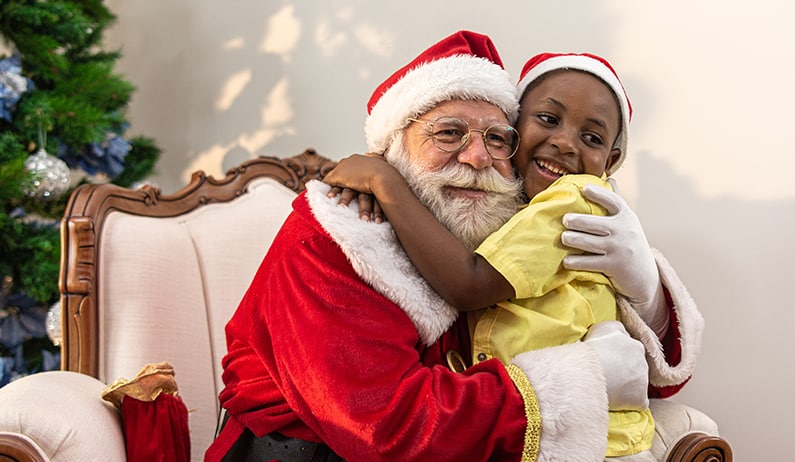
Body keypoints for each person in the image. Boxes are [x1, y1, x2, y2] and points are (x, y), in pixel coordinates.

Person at [206, 31, 702, 462]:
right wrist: (578, 383)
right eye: (449, 133)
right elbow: (387, 427)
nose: (478, 156)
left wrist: (647, 294)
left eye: (497, 137)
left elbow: (649, 383)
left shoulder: (510, 225)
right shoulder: (335, 237)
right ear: (392, 149)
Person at [323, 52, 662, 460]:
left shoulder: (572, 202)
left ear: (609, 162)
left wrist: (385, 182)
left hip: (585, 435)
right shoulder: (493, 204)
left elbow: (470, 285)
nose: (565, 142)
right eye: (449, 133)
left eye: (591, 138)